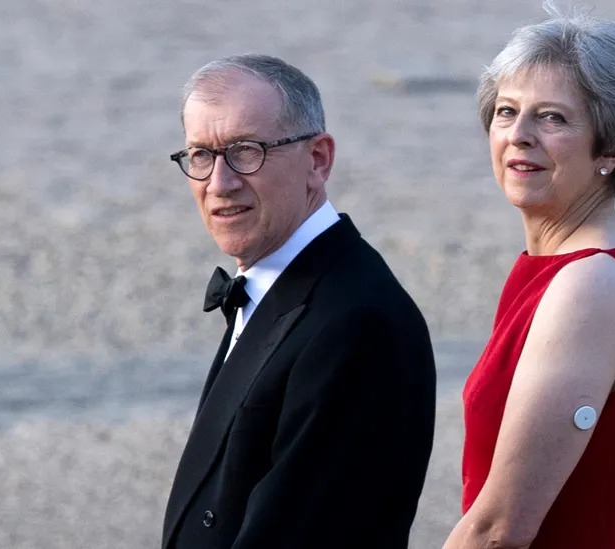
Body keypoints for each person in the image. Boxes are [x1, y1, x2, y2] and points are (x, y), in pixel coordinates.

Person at [161, 54, 437, 549]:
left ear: (318, 160)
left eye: (246, 151)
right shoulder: (282, 286)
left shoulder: (357, 324)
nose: (219, 183)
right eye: (201, 155)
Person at [442, 6, 615, 549]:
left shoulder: (591, 287)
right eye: (506, 111)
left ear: (612, 148)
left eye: (551, 118)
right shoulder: (595, 264)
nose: (519, 135)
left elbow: (498, 530)